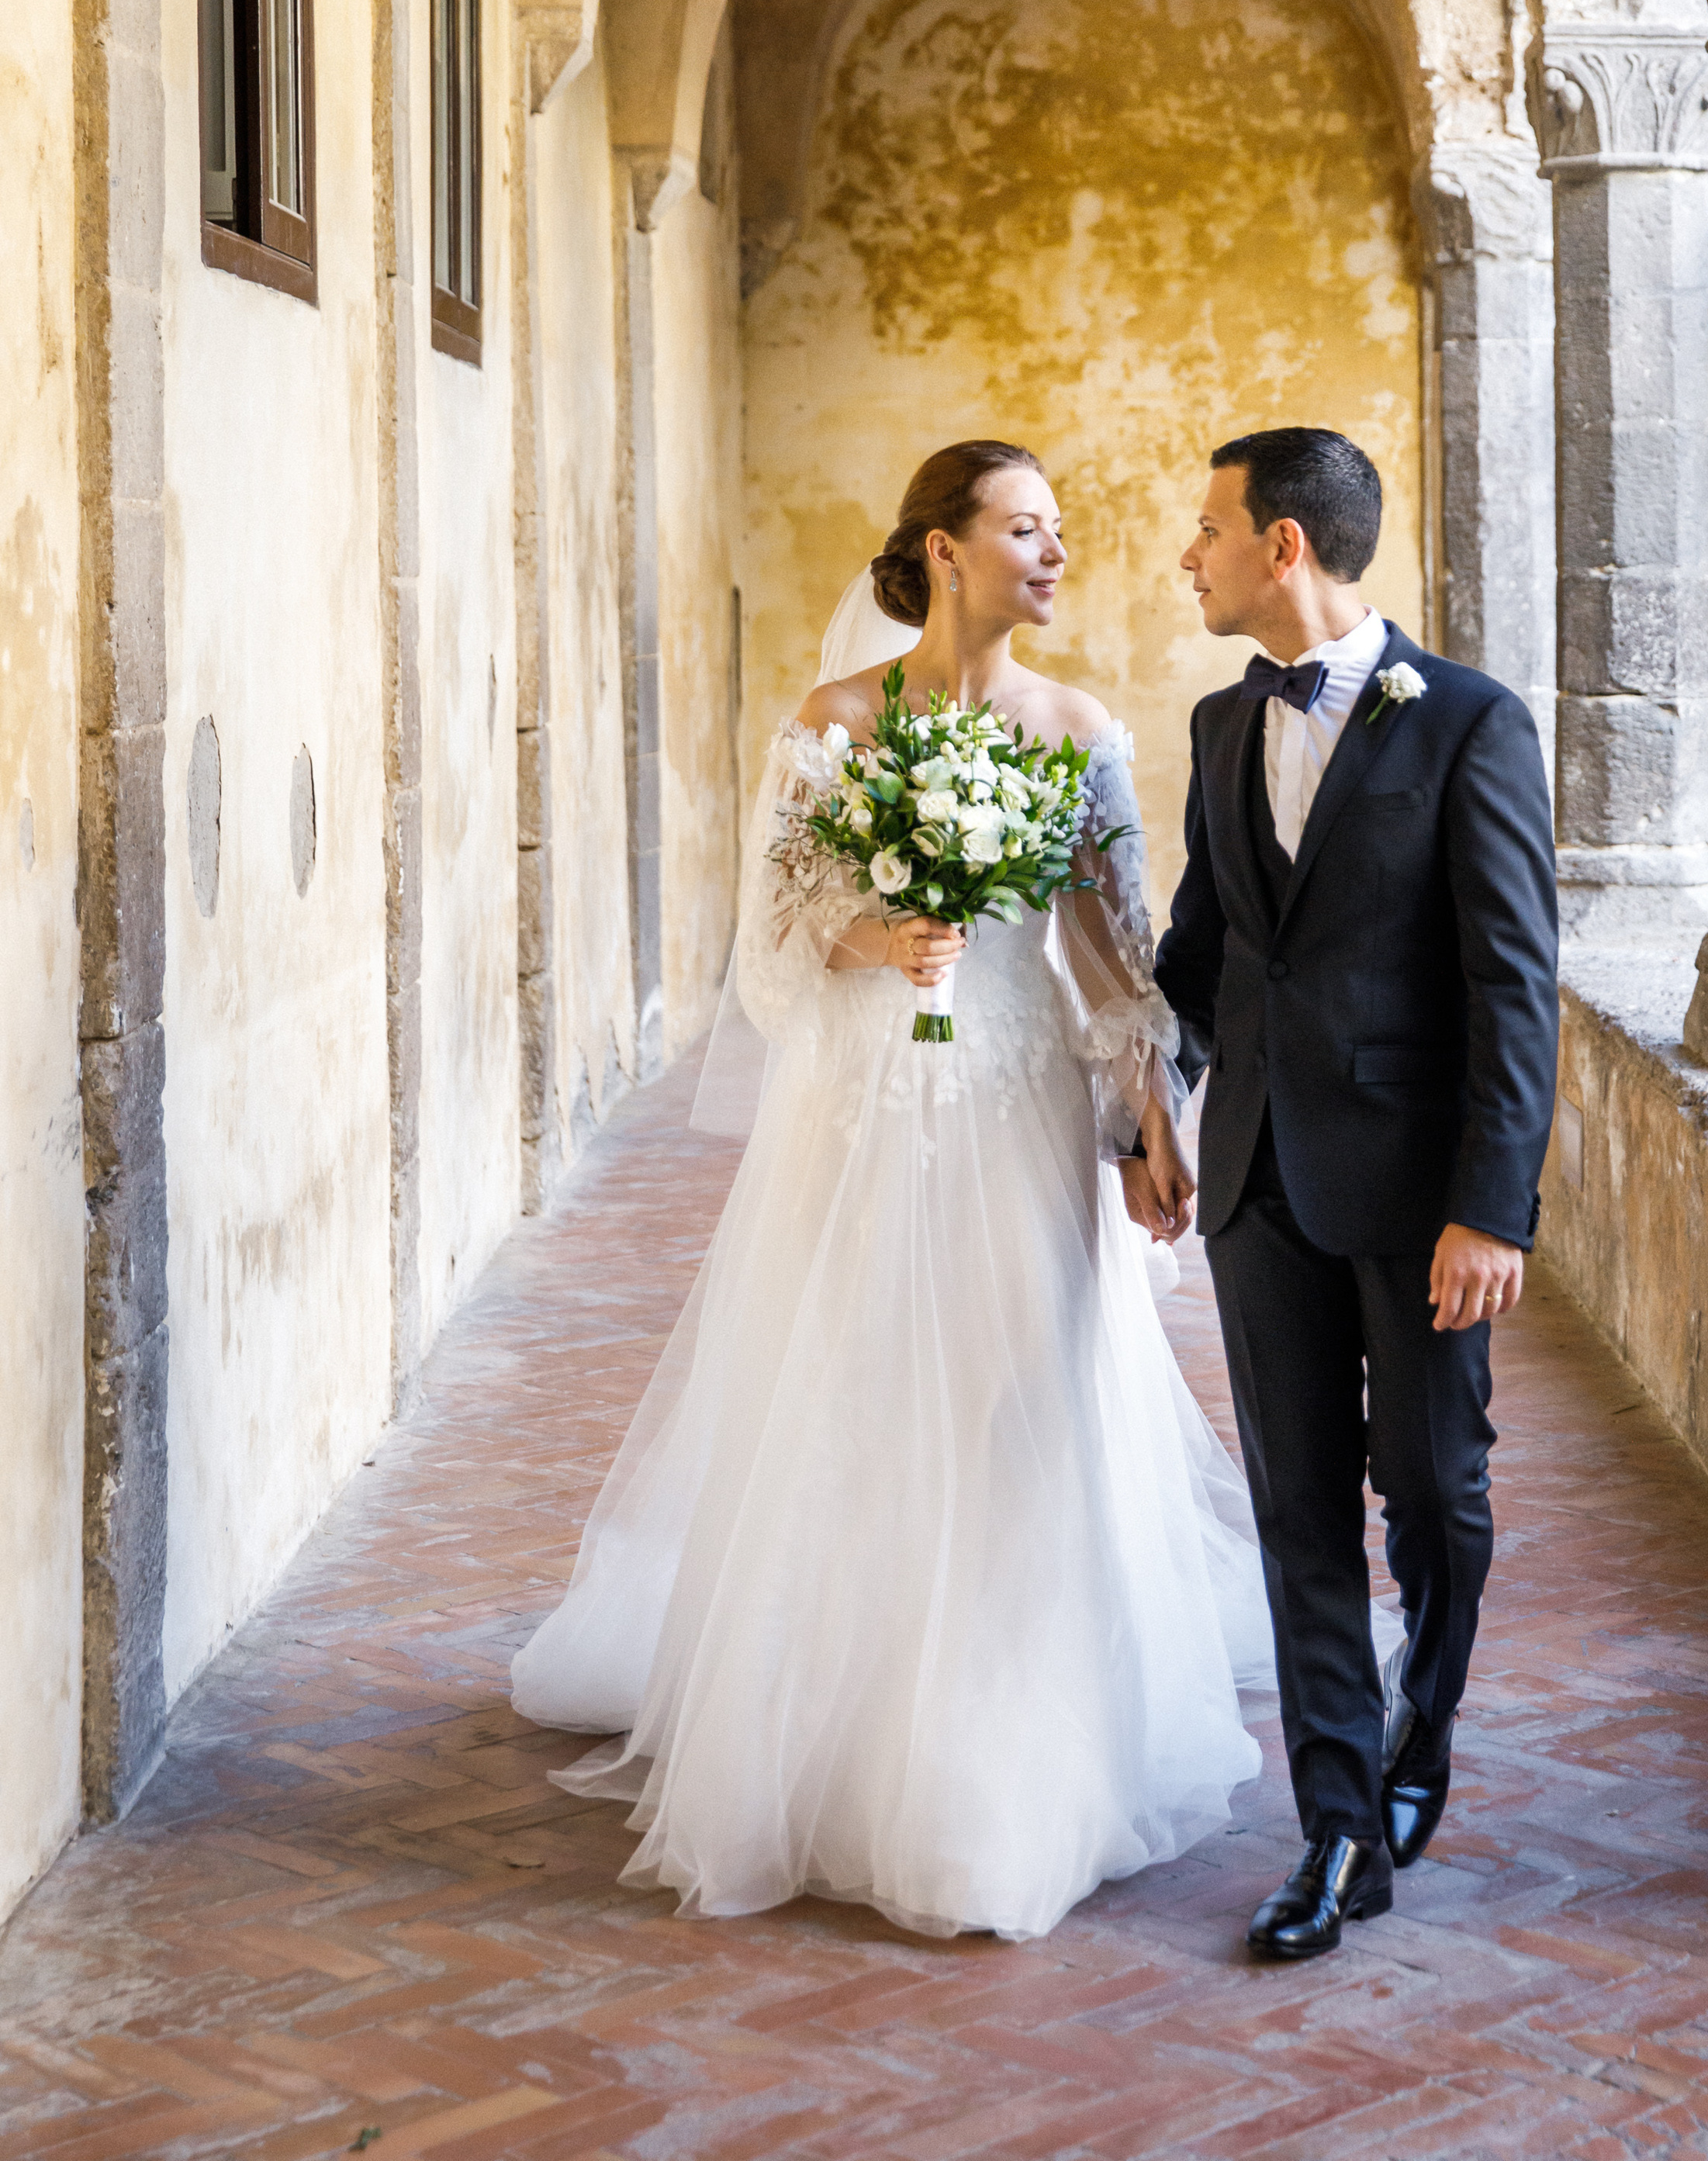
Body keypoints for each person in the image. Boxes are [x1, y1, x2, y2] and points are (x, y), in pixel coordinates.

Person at [510, 440, 1274, 1941]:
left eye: (1058, 530)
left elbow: (1115, 949)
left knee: (1021, 1386)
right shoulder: (837, 722)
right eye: (1025, 529)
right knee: (855, 1380)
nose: (1054, 554)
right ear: (943, 549)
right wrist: (881, 938)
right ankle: (835, 1740)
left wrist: (1152, 1112)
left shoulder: (1077, 729)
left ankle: (1010, 1750)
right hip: (865, 1095)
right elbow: (778, 930)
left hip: (1019, 1097)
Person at [1152, 426, 1558, 1962]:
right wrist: (1142, 1107)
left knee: (1437, 1496)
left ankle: (1419, 1732)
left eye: (1206, 529)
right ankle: (1336, 1825)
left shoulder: (1467, 722)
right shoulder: (1215, 725)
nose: (1186, 555)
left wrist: (1492, 1207)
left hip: (1418, 1196)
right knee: (1298, 1510)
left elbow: (1513, 983)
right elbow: (1203, 956)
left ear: (1283, 546)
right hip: (1256, 1183)